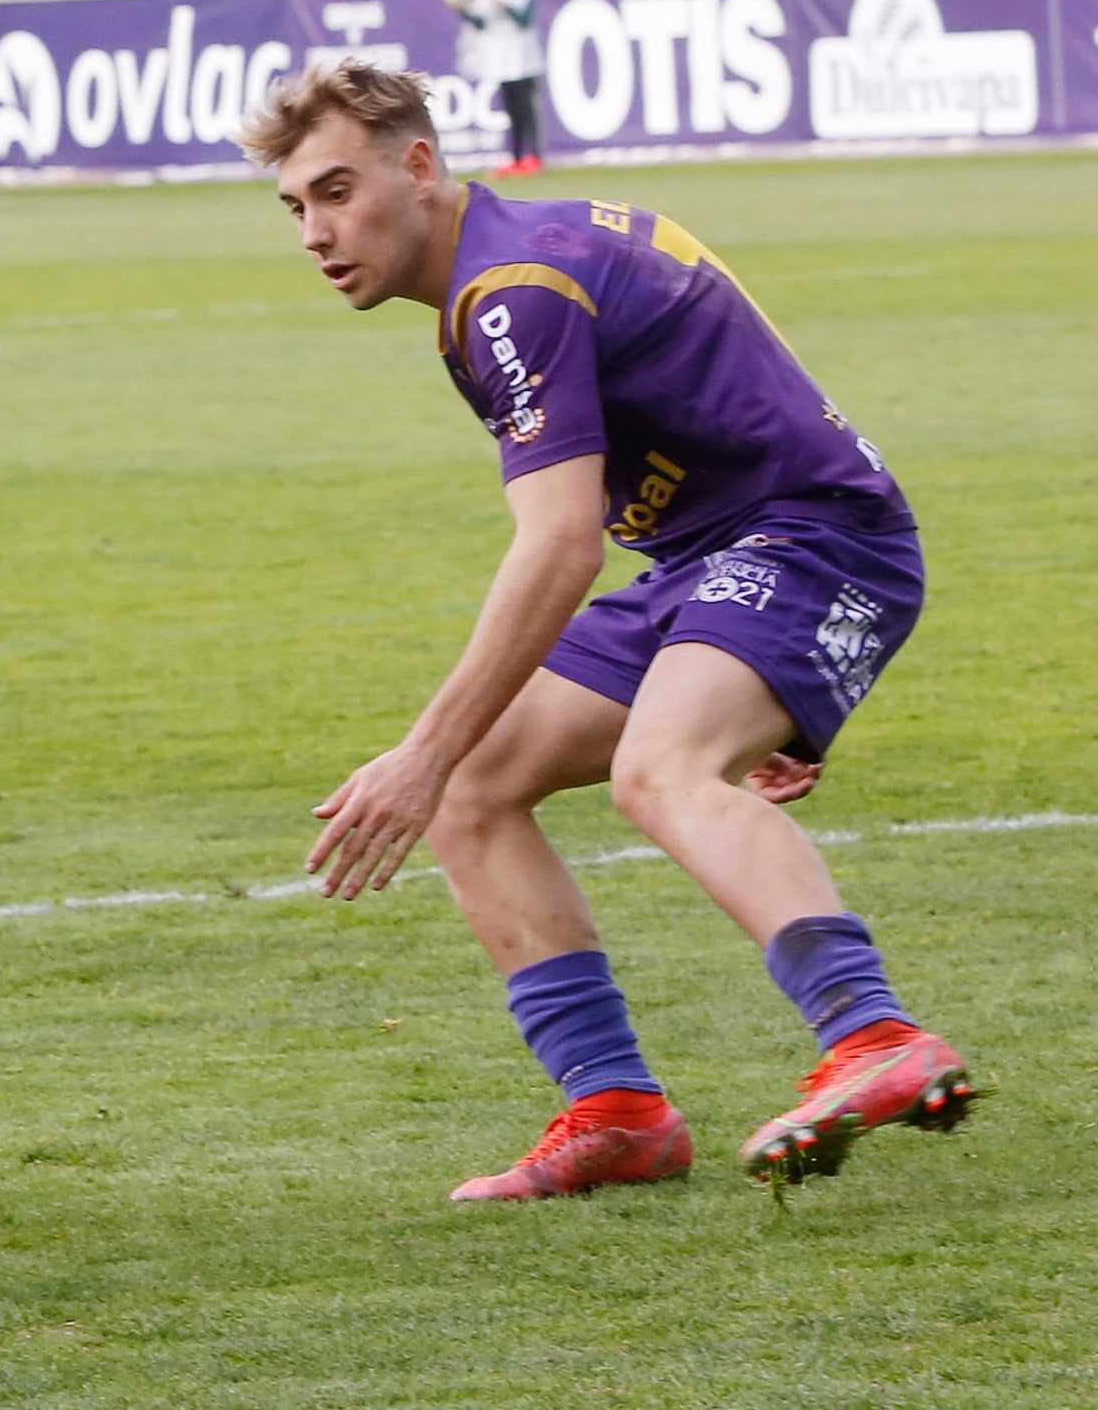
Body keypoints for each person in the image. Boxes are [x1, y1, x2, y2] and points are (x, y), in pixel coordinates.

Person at [242, 60, 975, 1202]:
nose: (314, 231)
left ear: (419, 166)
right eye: (296, 206)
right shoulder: (516, 257)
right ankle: (617, 1112)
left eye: (337, 191)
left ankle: (873, 1037)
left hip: (810, 540)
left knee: (652, 766)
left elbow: (559, 546)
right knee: (479, 786)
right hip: (718, 563)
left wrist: (416, 752)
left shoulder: (514, 289)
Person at [454, 0, 544, 177]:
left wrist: (505, 6)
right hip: (500, 58)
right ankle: (514, 158)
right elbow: (481, 23)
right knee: (511, 110)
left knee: (527, 108)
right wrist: (462, 10)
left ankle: (534, 156)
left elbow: (524, 19)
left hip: (523, 56)